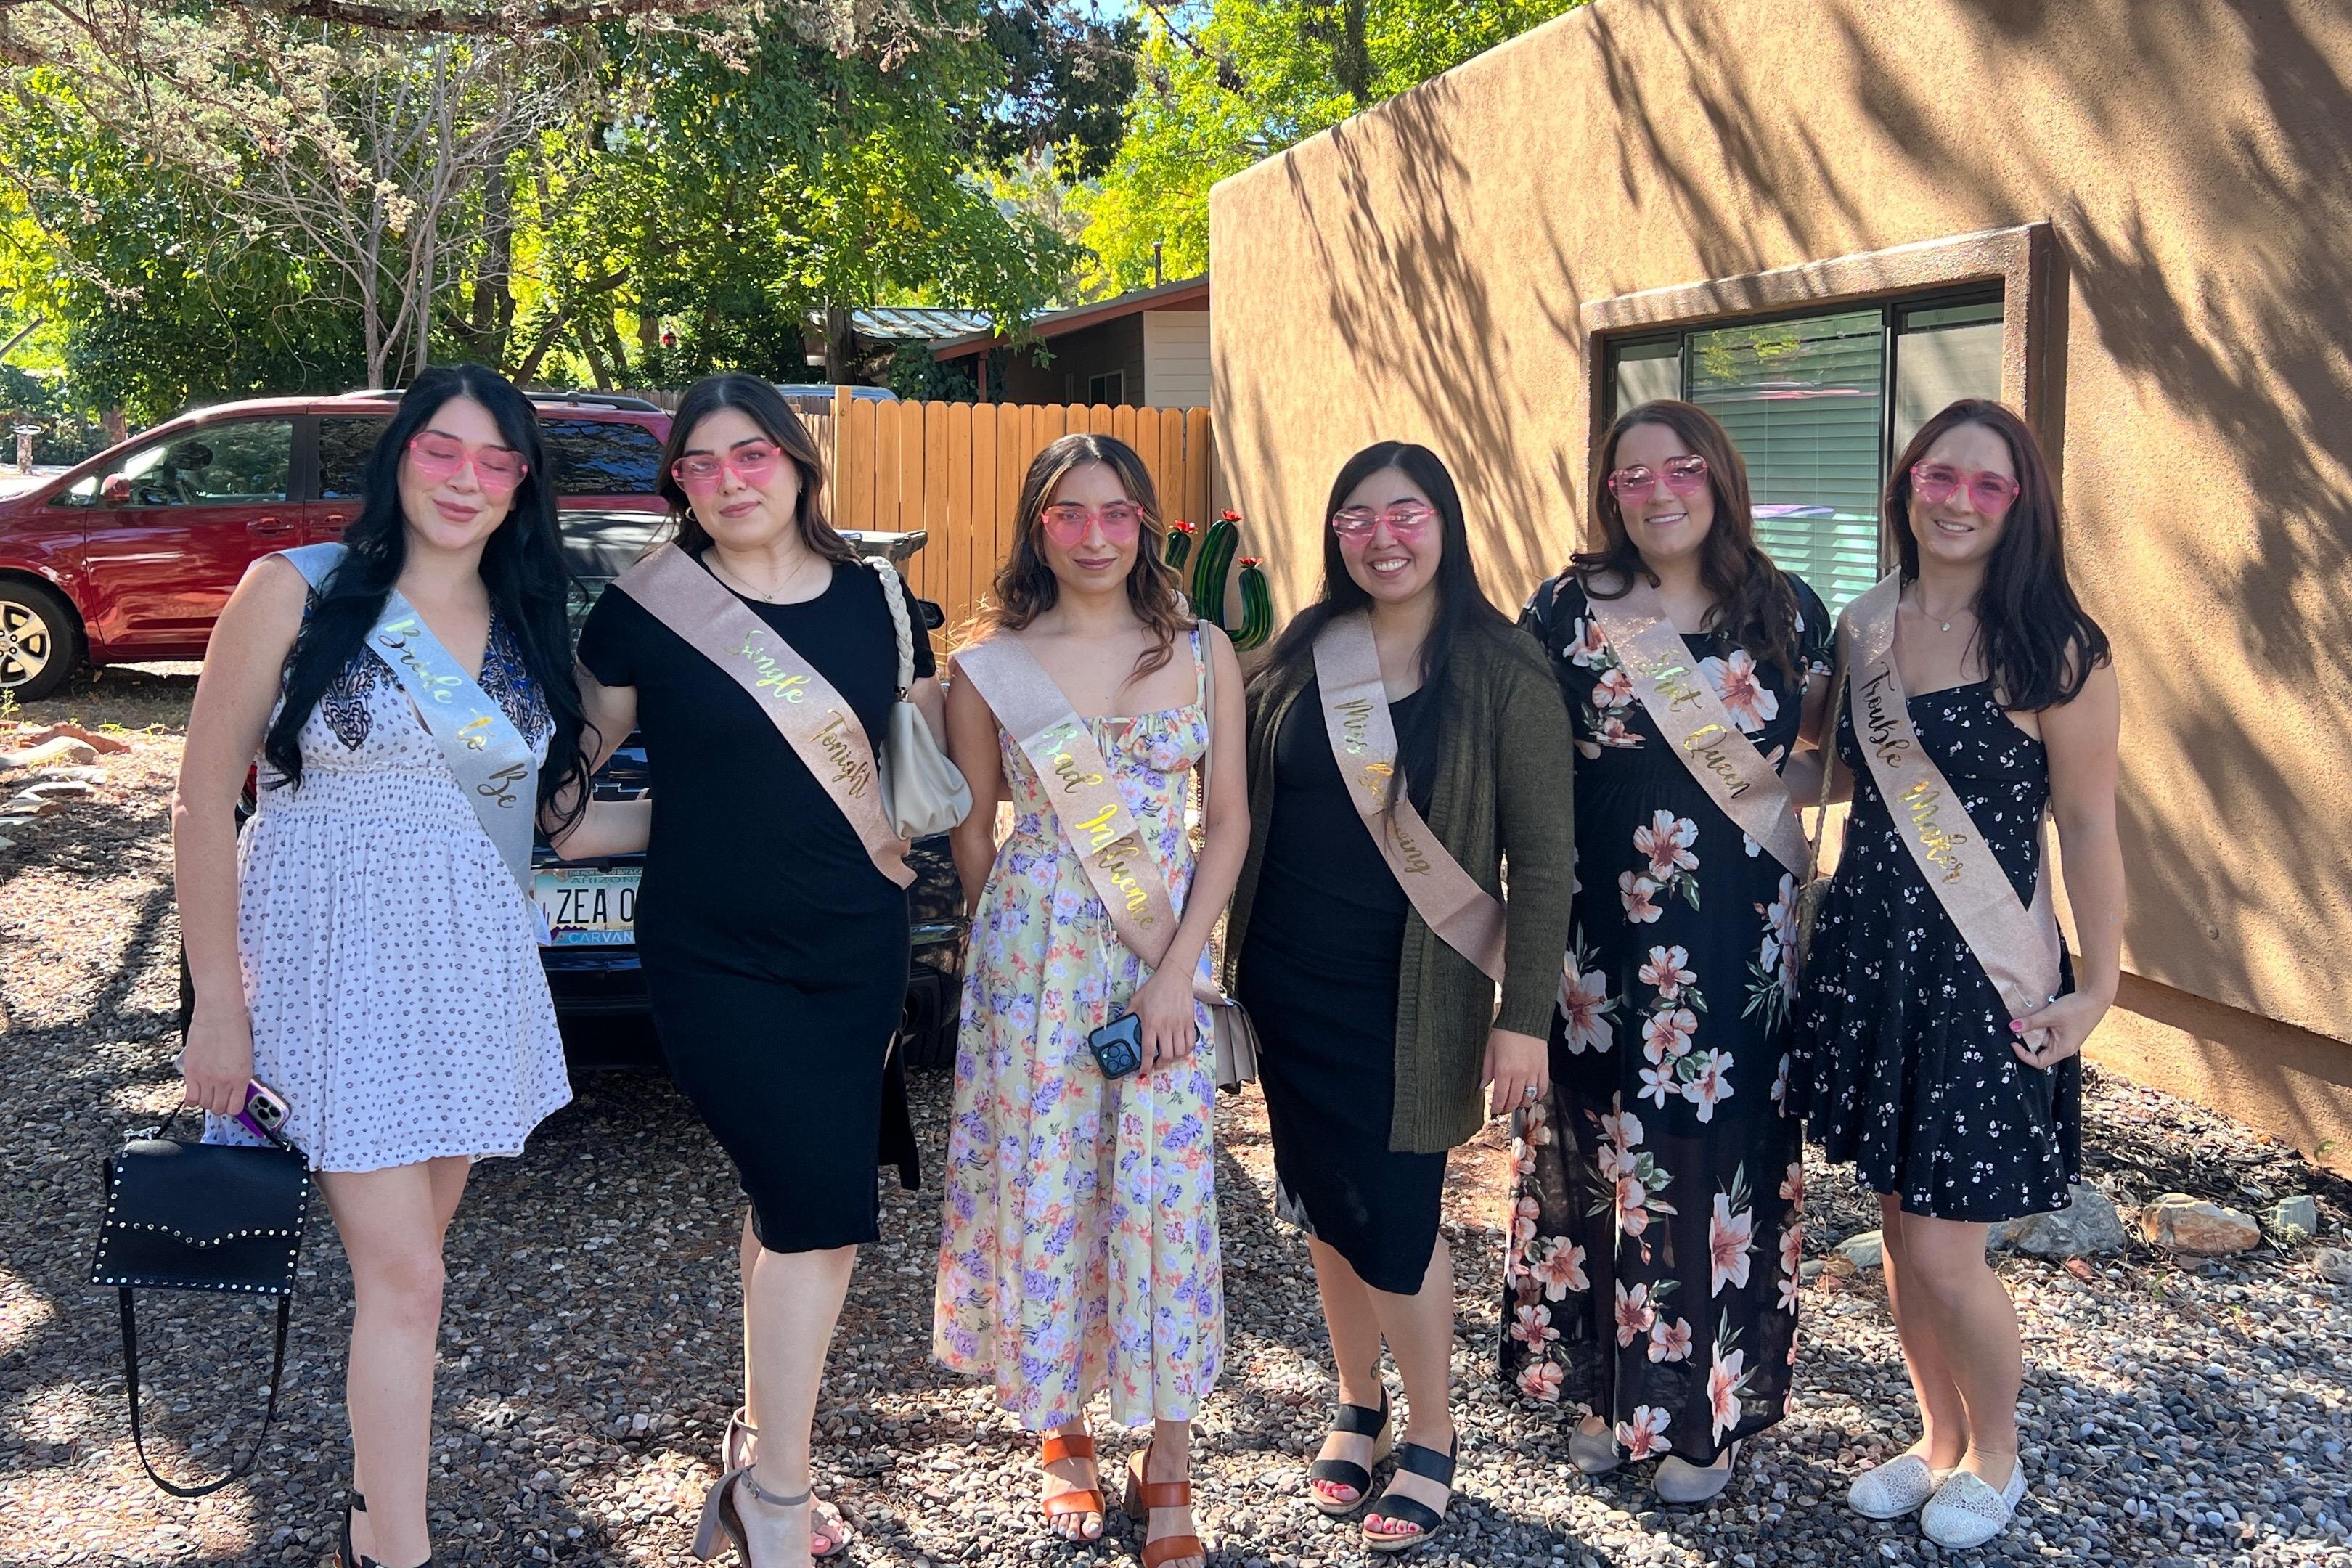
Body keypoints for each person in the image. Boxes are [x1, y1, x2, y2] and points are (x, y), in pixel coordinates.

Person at [174, 364, 592, 1568]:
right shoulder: (295, 590)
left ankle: (370, 1517)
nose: (467, 480)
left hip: (466, 974)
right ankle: (397, 1549)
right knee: (406, 1276)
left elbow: (541, 821)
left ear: (522, 485)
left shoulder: (524, 622)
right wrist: (219, 1006)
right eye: (441, 450)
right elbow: (200, 801)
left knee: (412, 1271)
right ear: (399, 455)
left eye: (497, 461)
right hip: (331, 970)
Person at [563, 373, 947, 1568]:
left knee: (790, 1201)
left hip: (855, 947)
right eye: (700, 463)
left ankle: (757, 1438)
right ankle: (774, 1500)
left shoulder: (878, 601)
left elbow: (919, 774)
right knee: (819, 1210)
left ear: (796, 461)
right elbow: (566, 800)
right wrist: (684, 820)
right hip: (714, 957)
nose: (728, 481)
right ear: (677, 483)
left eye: (751, 455)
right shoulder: (645, 610)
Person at [1229, 441, 1576, 1555]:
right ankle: (1357, 1401)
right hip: (1288, 981)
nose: (1382, 538)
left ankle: (1431, 1430)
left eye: (1406, 514)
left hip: (1412, 995)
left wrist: (1524, 1015)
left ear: (1445, 525)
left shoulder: (1504, 668)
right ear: (1335, 534)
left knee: (1395, 1214)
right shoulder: (1303, 652)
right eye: (1358, 518)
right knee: (1321, 1203)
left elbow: (1546, 861)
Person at [1790, 399, 2122, 1550]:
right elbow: (1842, 773)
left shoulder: (2056, 647)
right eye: (1942, 477)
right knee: (1897, 1225)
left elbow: (2090, 823)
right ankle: (1936, 1438)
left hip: (1981, 975)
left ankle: (1998, 1456)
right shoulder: (1865, 624)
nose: (1961, 501)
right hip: (1873, 958)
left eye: (1989, 485)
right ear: (1909, 485)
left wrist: (2098, 989)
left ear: (2020, 504)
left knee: (1945, 1246)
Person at [1500, 401, 1832, 1501]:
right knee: (1605, 1153)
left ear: (1720, 477)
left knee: (1712, 1156)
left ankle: (1703, 1415)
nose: (1658, 492)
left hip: (1736, 936)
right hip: (1601, 935)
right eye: (1631, 476)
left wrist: (1774, 804)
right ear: (1609, 494)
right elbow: (1520, 754)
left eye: (1681, 468)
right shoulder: (1566, 607)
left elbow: (1830, 748)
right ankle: (1610, 1395)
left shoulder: (1787, 608)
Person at [932, 433, 1244, 1568]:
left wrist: (1176, 973)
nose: (1095, 535)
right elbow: (974, 833)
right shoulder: (989, 665)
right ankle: (1060, 1427)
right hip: (1035, 973)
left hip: (1163, 957)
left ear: (1146, 524)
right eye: (1069, 513)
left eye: (1117, 513)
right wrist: (1021, 951)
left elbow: (1230, 824)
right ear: (1038, 526)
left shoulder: (1203, 650)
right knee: (1048, 1187)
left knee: (1166, 1198)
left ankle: (1171, 1458)